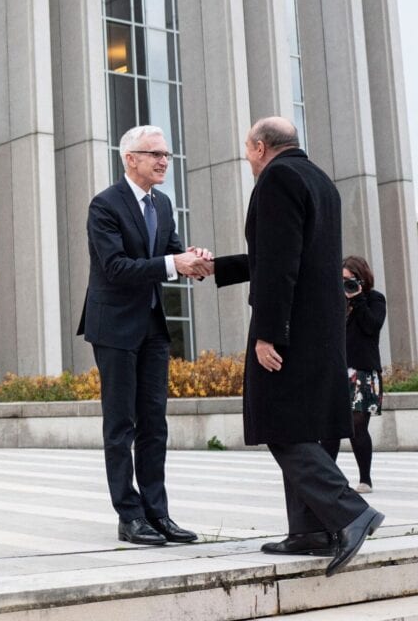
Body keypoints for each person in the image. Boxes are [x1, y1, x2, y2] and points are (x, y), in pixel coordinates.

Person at [213, 117, 383, 577]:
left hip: (289, 326)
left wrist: (268, 332)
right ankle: (309, 531)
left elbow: (280, 263)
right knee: (304, 424)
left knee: (281, 424)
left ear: (261, 146)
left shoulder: (277, 178)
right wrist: (217, 268)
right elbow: (286, 254)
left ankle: (349, 512)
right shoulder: (319, 180)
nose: (248, 158)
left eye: (248, 149)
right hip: (321, 326)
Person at [78, 125, 211, 546]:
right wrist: (175, 262)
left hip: (152, 326)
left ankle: (159, 513)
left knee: (155, 423)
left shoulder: (164, 203)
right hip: (114, 326)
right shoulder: (104, 205)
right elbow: (116, 267)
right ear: (129, 159)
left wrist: (194, 258)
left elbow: (168, 250)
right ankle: (129, 516)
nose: (163, 161)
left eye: (167, 155)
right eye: (154, 154)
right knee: (121, 424)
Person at [320, 256, 386, 494]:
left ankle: (365, 480)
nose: (345, 284)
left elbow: (372, 326)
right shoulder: (334, 302)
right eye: (342, 280)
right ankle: (328, 480)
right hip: (336, 371)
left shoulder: (374, 299)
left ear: (362, 278)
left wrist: (357, 299)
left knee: (358, 426)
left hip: (363, 371)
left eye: (350, 279)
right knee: (330, 427)